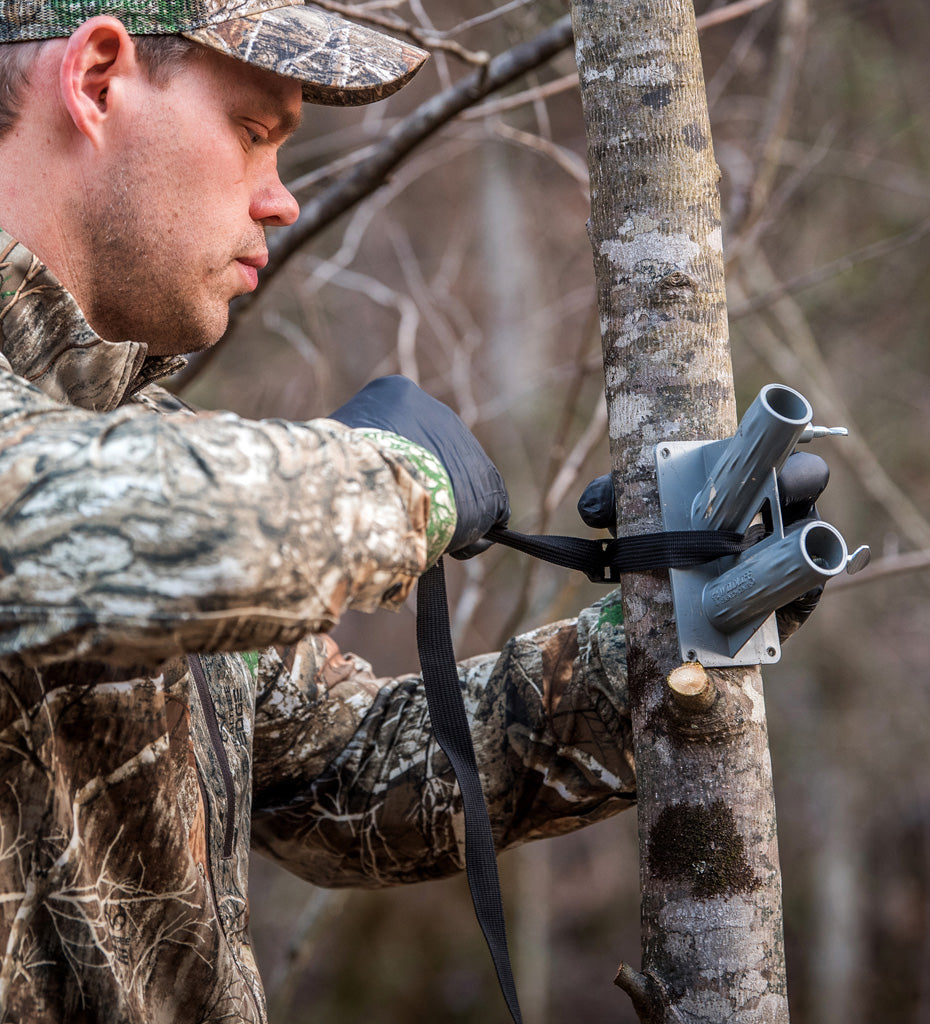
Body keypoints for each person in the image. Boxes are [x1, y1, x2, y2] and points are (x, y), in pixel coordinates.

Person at [0, 3, 824, 1021]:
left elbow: (340, 776)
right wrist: (390, 479)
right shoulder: (110, 474)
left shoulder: (131, 430)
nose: (282, 201)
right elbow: (58, 525)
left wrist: (667, 638)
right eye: (254, 134)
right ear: (95, 81)